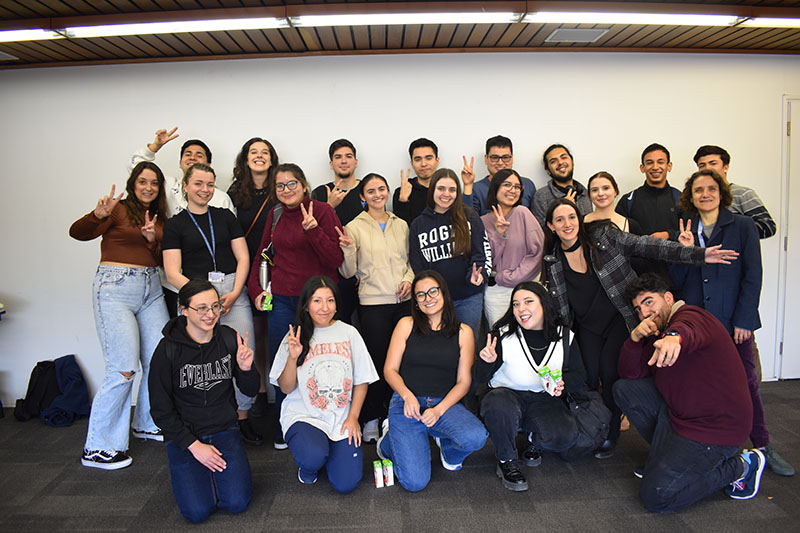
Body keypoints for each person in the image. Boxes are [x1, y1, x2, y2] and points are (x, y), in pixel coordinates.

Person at [541, 198, 738, 459]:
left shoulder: (604, 236)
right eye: (560, 220)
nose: (567, 224)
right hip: (586, 327)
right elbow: (557, 303)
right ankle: (590, 426)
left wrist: (698, 254)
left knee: (611, 375)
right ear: (551, 226)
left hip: (618, 319)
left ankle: (610, 432)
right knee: (587, 376)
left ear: (580, 219)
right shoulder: (552, 259)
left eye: (572, 217)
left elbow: (648, 245)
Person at [671, 169, 794, 476]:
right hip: (698, 325)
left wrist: (745, 320)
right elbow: (676, 282)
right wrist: (685, 252)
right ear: (691, 196)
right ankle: (717, 448)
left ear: (721, 192)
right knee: (701, 386)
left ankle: (762, 445)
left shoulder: (742, 225)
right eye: (698, 190)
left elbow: (753, 276)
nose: (705, 194)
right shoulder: (686, 228)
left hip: (732, 322)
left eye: (711, 188)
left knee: (747, 385)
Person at [614, 274, 764, 512]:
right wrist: (634, 339)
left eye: (649, 302)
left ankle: (743, 466)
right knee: (625, 389)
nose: (644, 314)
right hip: (681, 416)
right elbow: (630, 374)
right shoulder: (657, 335)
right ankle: (665, 459)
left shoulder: (691, 316)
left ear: (669, 298)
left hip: (716, 429)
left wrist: (674, 337)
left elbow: (689, 330)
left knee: (657, 497)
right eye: (638, 309)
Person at [70, 162, 170, 469]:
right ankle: (99, 447)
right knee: (123, 368)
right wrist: (97, 216)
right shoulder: (118, 209)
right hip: (115, 287)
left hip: (151, 287)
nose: (148, 187)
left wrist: (153, 240)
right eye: (143, 181)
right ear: (133, 182)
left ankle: (147, 423)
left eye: (154, 183)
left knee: (161, 357)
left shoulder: (159, 217)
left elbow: (159, 258)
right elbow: (78, 233)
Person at [162, 163, 260, 445]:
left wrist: (235, 290)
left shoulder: (225, 217)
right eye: (198, 184)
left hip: (232, 291)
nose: (204, 190)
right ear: (185, 186)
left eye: (209, 184)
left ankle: (242, 417)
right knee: (201, 359)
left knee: (243, 351)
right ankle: (207, 420)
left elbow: (243, 257)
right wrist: (205, 301)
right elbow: (171, 272)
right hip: (197, 298)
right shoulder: (175, 224)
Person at [248, 163, 344, 449]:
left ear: (304, 185)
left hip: (318, 301)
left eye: (292, 184)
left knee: (321, 362)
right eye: (280, 186)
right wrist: (256, 290)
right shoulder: (275, 214)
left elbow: (335, 259)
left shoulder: (323, 211)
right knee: (284, 363)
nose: (286, 190)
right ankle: (284, 424)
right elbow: (262, 256)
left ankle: (323, 420)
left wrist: (313, 231)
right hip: (282, 300)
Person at [478, 282, 605, 491]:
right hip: (506, 396)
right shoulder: (502, 334)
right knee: (498, 405)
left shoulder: (565, 336)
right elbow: (481, 377)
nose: (521, 309)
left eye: (528, 302)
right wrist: (487, 362)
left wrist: (564, 384)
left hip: (545, 399)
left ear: (544, 304)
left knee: (564, 436)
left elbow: (578, 375)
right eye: (516, 304)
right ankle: (507, 460)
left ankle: (534, 439)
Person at [149, 280, 259, 523]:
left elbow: (249, 390)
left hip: (224, 429)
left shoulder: (229, 338)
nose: (211, 315)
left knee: (238, 502)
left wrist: (246, 369)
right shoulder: (167, 350)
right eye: (202, 308)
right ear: (184, 310)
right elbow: (159, 410)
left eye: (215, 306)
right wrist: (193, 445)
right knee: (196, 513)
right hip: (185, 436)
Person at [377, 270, 488, 492]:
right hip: (406, 404)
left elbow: (464, 382)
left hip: (442, 405)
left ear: (444, 294)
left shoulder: (464, 332)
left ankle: (447, 450)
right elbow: (389, 370)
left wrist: (438, 411)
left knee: (476, 437)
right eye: (421, 295)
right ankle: (390, 440)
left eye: (433, 291)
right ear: (416, 302)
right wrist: (408, 396)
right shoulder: (406, 325)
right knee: (415, 483)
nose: (428, 298)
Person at [270, 276, 378, 492]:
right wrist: (293, 357)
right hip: (304, 415)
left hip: (340, 417)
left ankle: (328, 452)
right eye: (317, 301)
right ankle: (309, 466)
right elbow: (285, 388)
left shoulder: (349, 333)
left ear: (337, 304)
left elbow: (362, 380)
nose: (324, 307)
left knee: (346, 484)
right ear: (306, 305)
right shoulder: (295, 336)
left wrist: (354, 417)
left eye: (330, 300)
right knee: (313, 456)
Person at [337, 173, 414, 443]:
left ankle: (398, 416)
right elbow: (347, 272)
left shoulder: (401, 225)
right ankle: (371, 417)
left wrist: (408, 280)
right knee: (378, 363)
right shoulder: (353, 227)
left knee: (404, 362)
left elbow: (410, 262)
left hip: (404, 303)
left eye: (382, 189)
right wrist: (346, 249)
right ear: (362, 196)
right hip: (373, 305)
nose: (378, 194)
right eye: (371, 191)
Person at [130, 127, 235, 317]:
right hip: (172, 279)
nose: (193, 158)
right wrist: (156, 146)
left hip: (213, 278)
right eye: (188, 154)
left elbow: (231, 240)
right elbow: (139, 168)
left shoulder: (220, 197)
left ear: (209, 164)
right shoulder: (167, 186)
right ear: (180, 163)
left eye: (199, 155)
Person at [227, 137, 280, 418]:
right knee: (256, 332)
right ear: (245, 159)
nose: (259, 156)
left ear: (272, 159)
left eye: (265, 152)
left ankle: (279, 391)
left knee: (279, 329)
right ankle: (260, 392)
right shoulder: (235, 193)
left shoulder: (280, 189)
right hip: (250, 271)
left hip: (279, 269)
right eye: (253, 152)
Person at [408, 168, 491, 340]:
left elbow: (480, 253)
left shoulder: (469, 216)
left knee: (468, 349)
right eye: (441, 189)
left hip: (468, 297)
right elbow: (417, 264)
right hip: (434, 302)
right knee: (440, 350)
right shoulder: (418, 224)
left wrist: (477, 275)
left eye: (452, 190)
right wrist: (430, 294)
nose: (446, 194)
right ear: (432, 190)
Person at [480, 169, 544, 327]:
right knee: (500, 339)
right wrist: (499, 235)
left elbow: (537, 253)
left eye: (517, 187)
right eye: (507, 185)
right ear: (495, 188)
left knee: (528, 337)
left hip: (526, 286)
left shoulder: (523, 213)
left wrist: (511, 277)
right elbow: (487, 260)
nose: (512, 190)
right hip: (497, 293)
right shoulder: (482, 222)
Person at [312, 139, 364, 324]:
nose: (344, 161)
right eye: (338, 157)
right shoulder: (320, 192)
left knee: (368, 329)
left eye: (348, 156)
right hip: (333, 274)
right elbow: (311, 231)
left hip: (365, 272)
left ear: (356, 162)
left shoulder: (366, 189)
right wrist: (329, 206)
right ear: (331, 164)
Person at [615, 143, 682, 278]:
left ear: (669, 166)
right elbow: (616, 237)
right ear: (642, 168)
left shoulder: (681, 199)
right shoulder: (628, 200)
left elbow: (692, 234)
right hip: (638, 278)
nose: (655, 167)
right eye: (649, 163)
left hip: (675, 277)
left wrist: (669, 234)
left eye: (660, 162)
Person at [694, 145, 776, 239]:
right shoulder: (698, 197)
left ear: (726, 167)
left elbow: (768, 227)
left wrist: (731, 233)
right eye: (702, 165)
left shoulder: (743, 194)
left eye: (713, 163)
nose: (707, 168)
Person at [469, 135, 536, 216]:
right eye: (494, 157)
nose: (500, 162)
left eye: (505, 157)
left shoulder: (527, 185)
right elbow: (468, 221)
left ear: (512, 158)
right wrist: (467, 185)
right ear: (486, 159)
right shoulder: (475, 189)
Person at [531, 143, 593, 227]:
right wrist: (561, 209)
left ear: (572, 161)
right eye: (553, 161)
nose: (560, 162)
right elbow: (539, 232)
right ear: (548, 170)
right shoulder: (541, 196)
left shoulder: (585, 192)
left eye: (564, 157)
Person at [392, 138, 440, 225]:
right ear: (412, 163)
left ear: (437, 161)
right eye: (418, 159)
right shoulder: (402, 191)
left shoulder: (446, 189)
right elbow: (400, 230)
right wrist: (403, 201)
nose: (423, 164)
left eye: (428, 158)